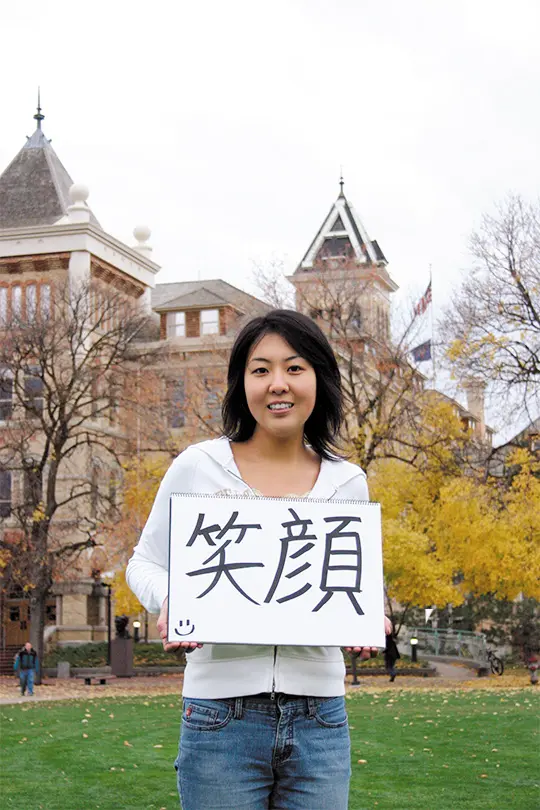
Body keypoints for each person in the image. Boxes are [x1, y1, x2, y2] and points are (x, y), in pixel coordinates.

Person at [127, 309, 390, 810]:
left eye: (294, 368)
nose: (278, 384)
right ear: (241, 383)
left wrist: (371, 617)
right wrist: (173, 599)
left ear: (319, 378)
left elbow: (357, 582)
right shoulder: (198, 467)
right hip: (218, 718)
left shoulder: (348, 481)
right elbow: (143, 564)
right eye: (260, 369)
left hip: (322, 721)